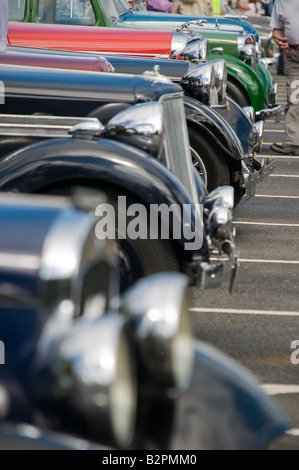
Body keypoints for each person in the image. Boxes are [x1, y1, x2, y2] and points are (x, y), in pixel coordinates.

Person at [270, 0, 299, 155]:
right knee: (295, 98)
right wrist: (279, 39)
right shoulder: (281, 2)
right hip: (293, 55)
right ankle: (294, 142)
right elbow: (277, 29)